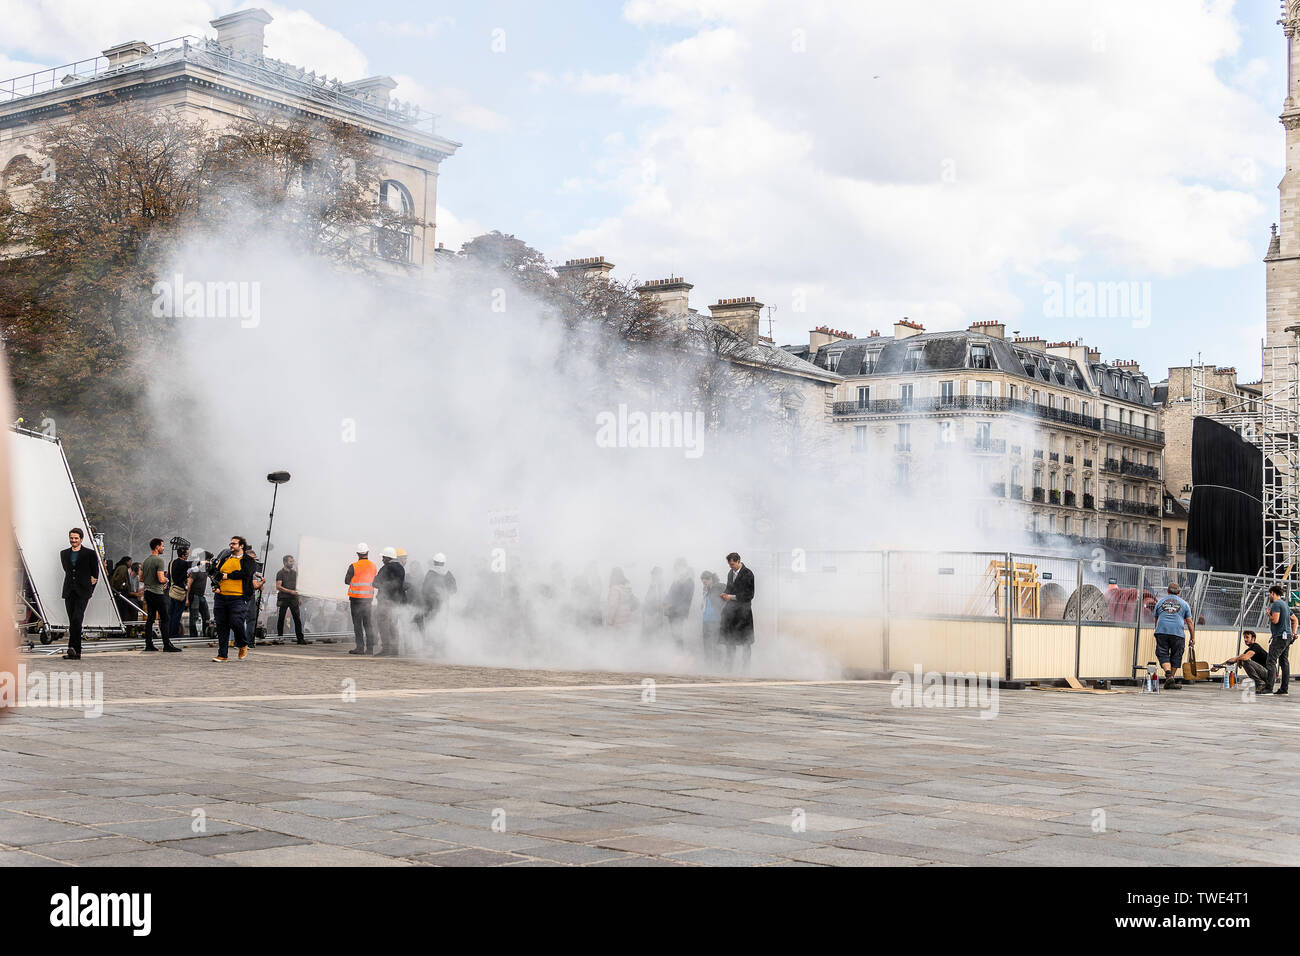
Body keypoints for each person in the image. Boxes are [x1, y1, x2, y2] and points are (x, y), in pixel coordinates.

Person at [211, 535, 256, 662]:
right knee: (221, 625)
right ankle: (222, 654)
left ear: (241, 546)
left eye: (234, 544)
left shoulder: (248, 560)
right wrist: (215, 586)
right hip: (221, 596)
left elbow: (246, 574)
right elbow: (216, 574)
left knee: (236, 621)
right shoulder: (225, 558)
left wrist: (228, 576)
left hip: (238, 597)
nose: (231, 545)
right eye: (230, 543)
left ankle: (242, 643)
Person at [59, 527, 98, 660]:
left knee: (77, 619)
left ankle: (76, 649)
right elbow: (67, 570)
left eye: (76, 538)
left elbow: (95, 575)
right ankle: (73, 649)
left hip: (83, 591)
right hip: (69, 591)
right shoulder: (64, 554)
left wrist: (89, 591)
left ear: (81, 539)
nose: (73, 540)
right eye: (71, 538)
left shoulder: (90, 554)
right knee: (72, 621)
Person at [140, 538, 180, 652]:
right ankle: (167, 645)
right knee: (165, 618)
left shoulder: (146, 561)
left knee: (150, 619)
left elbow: (141, 578)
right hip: (157, 593)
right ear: (157, 547)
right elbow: (161, 579)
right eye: (162, 546)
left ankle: (149, 644)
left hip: (147, 592)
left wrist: (150, 580)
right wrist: (166, 580)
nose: (163, 548)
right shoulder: (159, 561)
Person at [1152, 583, 1193, 690]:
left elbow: (1156, 619)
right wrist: (1193, 637)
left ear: (1168, 591)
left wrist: (1157, 630)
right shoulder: (1184, 604)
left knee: (1162, 653)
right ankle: (1171, 677)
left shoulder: (1160, 602)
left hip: (1162, 631)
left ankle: (1169, 678)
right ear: (1179, 592)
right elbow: (1189, 622)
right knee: (1176, 655)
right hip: (1178, 633)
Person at [720, 552, 755, 671]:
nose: (731, 567)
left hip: (744, 612)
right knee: (730, 640)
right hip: (732, 612)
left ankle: (746, 668)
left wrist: (732, 597)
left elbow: (749, 595)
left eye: (733, 564)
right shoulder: (730, 573)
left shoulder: (748, 574)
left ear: (739, 561)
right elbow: (729, 588)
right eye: (730, 565)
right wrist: (725, 593)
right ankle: (729, 666)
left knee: (746, 642)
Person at [344, 543, 378, 655]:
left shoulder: (353, 566)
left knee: (357, 624)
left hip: (355, 599)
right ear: (367, 552)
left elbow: (346, 581)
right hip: (368, 599)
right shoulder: (373, 566)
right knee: (368, 624)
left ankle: (360, 648)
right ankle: (370, 649)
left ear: (358, 553)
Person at [373, 546, 406, 656]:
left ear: (388, 557)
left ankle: (386, 649)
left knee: (383, 624)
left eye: (383, 557)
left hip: (385, 600)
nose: (382, 559)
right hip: (397, 601)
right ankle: (395, 649)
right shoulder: (401, 568)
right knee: (393, 625)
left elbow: (375, 583)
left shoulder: (386, 568)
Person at [420, 553, 458, 647]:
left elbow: (424, 590)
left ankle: (436, 648)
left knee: (432, 625)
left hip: (431, 605)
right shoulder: (448, 574)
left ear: (434, 562)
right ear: (444, 563)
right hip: (443, 605)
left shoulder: (430, 574)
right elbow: (454, 589)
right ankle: (441, 648)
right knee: (441, 626)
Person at [1263, 584, 1293, 695]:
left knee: (1271, 661)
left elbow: (1275, 620)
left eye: (1269, 594)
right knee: (1284, 662)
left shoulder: (1276, 604)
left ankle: (1269, 688)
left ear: (1273, 593)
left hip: (1279, 637)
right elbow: (1294, 619)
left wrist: (1269, 615)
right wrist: (1293, 633)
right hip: (1287, 636)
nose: (1268, 596)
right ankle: (1284, 689)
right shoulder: (1285, 604)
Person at [164, 544, 191, 651]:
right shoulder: (184, 563)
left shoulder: (171, 563)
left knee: (171, 612)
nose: (188, 555)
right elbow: (184, 576)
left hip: (172, 590)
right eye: (187, 553)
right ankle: (174, 634)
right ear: (184, 554)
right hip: (180, 591)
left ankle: (168, 633)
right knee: (177, 613)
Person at [664, 559, 695, 649]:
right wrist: (665, 603)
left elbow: (685, 598)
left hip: (679, 613)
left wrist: (671, 605)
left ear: (684, 567)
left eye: (679, 567)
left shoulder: (689, 581)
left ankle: (680, 655)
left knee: (678, 635)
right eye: (676, 568)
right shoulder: (676, 580)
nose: (677, 569)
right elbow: (670, 594)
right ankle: (677, 654)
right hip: (671, 612)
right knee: (674, 635)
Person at [275, 554, 305, 644]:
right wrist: (289, 591)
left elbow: (297, 587)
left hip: (293, 598)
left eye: (293, 561)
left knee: (297, 618)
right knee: (281, 617)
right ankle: (280, 637)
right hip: (284, 598)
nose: (292, 563)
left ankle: (300, 638)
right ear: (285, 562)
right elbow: (278, 586)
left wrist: (298, 597)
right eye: (290, 561)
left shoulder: (294, 573)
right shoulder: (280, 573)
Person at [699, 569, 724, 665]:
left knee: (716, 643)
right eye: (703, 581)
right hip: (706, 619)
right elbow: (706, 602)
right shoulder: (705, 589)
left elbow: (728, 597)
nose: (704, 583)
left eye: (706, 581)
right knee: (706, 643)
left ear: (711, 579)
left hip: (716, 620)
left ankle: (717, 664)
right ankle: (708, 664)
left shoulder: (719, 587)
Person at [605, 567, 638, 634]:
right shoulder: (627, 588)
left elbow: (613, 606)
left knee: (615, 643)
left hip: (617, 623)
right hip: (627, 621)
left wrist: (609, 621)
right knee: (624, 642)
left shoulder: (615, 589)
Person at [187, 551, 212, 638]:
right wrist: (187, 598)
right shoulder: (195, 570)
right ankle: (193, 636)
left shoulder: (206, 570)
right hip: (194, 596)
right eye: (208, 560)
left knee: (206, 616)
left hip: (201, 596)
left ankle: (206, 633)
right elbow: (189, 584)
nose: (209, 562)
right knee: (194, 616)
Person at [642, 566, 667, 642]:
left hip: (654, 614)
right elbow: (648, 598)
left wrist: (657, 612)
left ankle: (654, 650)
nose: (652, 576)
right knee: (652, 634)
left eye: (654, 574)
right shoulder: (654, 584)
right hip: (651, 613)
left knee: (654, 634)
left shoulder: (658, 585)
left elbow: (659, 599)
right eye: (652, 574)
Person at [110, 555, 136, 624]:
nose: (131, 564)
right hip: (120, 593)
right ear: (127, 562)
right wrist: (123, 587)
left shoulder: (120, 567)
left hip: (119, 592)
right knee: (122, 611)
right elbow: (119, 579)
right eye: (130, 562)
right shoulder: (123, 568)